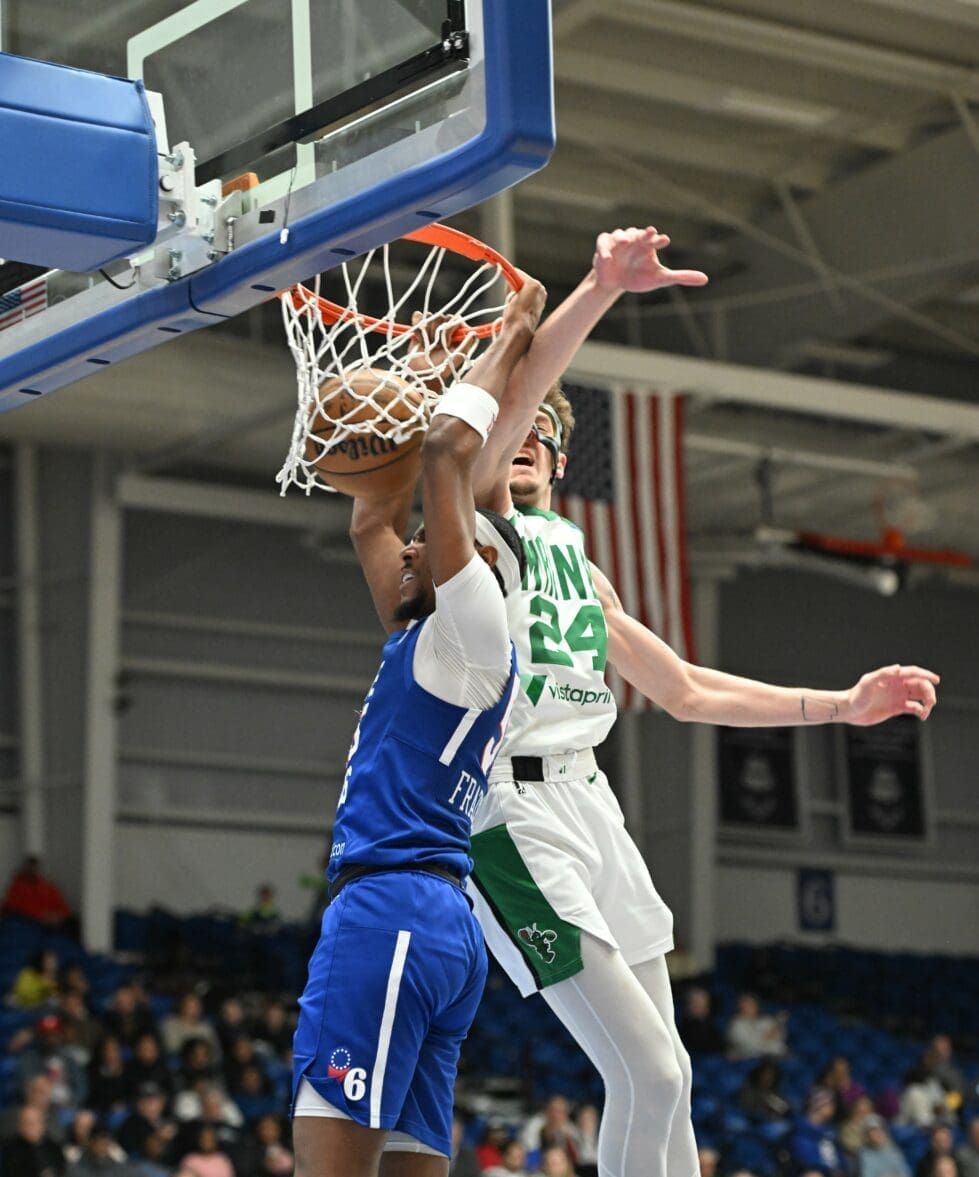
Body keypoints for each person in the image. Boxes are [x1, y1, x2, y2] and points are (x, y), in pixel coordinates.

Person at [447, 225, 941, 1177]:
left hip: (590, 804)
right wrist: (595, 288)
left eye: (537, 440)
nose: (520, 448)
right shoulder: (481, 528)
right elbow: (504, 413)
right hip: (506, 816)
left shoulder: (576, 567)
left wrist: (840, 704)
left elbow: (680, 688)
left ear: (555, 461)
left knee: (669, 1066)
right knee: (651, 1076)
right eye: (511, 434)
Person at [292, 276, 544, 1177]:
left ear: (471, 565)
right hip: (436, 922)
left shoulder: (469, 633)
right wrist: (408, 378)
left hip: (391, 909)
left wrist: (511, 332)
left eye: (423, 546)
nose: (404, 546)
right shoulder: (427, 643)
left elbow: (442, 453)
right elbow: (371, 514)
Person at [2, 856, 74, 932]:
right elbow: (12, 908)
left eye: (34, 868)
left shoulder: (48, 887)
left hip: (50, 924)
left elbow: (64, 908)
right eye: (28, 868)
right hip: (27, 923)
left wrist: (56, 916)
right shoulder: (17, 887)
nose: (31, 870)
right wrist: (41, 916)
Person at [789, 1088, 847, 1177]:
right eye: (829, 1104)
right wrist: (830, 1170)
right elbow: (805, 1159)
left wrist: (841, 1169)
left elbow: (840, 1156)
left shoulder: (830, 1130)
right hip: (812, 1172)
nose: (833, 1107)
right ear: (818, 1106)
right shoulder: (801, 1129)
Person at [726, 993, 788, 1060]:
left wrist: (776, 1027)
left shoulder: (766, 1019)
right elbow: (750, 1046)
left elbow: (779, 1039)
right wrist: (770, 1033)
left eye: (750, 1004)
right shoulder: (735, 1024)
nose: (747, 1007)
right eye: (744, 1004)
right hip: (749, 1059)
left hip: (775, 1055)